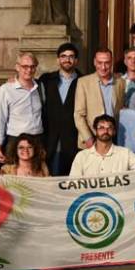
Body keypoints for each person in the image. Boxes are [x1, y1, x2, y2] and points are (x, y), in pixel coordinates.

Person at [69, 115, 135, 177]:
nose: (105, 131)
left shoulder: (124, 153)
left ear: (114, 132)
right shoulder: (82, 156)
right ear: (95, 131)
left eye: (109, 128)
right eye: (101, 127)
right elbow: (72, 185)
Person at [0, 52, 44, 165]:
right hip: (15, 140)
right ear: (17, 67)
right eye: (25, 66)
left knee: (37, 176)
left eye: (32, 66)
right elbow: (0, 119)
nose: (29, 70)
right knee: (14, 179)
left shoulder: (41, 87)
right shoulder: (6, 89)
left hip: (37, 139)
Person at [37, 43, 80, 175]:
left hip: (74, 142)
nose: (67, 60)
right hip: (50, 141)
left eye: (71, 57)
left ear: (76, 61)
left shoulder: (84, 80)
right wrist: (14, 79)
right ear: (58, 60)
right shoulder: (46, 80)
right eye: (63, 56)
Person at [74, 49, 125, 149]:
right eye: (100, 62)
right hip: (91, 141)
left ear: (112, 62)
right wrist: (88, 139)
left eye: (107, 63)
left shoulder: (120, 82)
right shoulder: (83, 82)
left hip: (113, 141)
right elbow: (78, 115)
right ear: (94, 62)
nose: (103, 67)